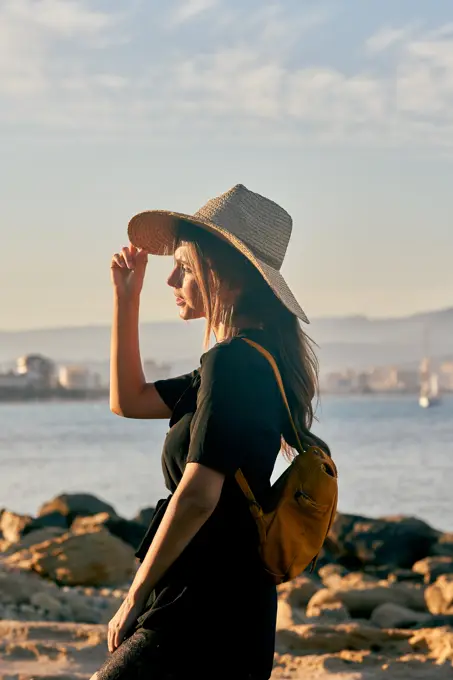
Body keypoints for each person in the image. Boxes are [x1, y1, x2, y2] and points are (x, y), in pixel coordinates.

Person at [92, 184, 330, 680]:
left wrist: (134, 596)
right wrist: (125, 300)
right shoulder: (245, 361)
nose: (172, 278)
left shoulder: (236, 363)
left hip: (203, 606)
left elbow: (198, 493)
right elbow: (128, 400)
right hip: (232, 603)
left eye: (184, 265)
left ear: (227, 279)